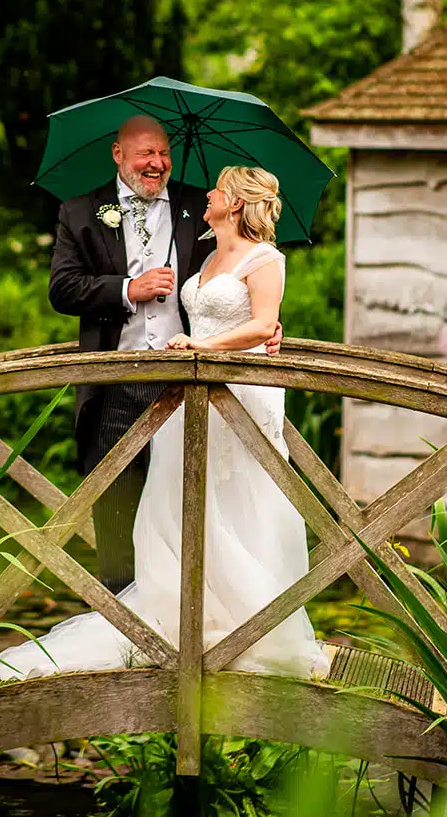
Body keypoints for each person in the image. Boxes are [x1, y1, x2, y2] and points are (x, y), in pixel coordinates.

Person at [0, 164, 329, 682]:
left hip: (238, 394)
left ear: (233, 202)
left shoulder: (266, 259)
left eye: (215, 190)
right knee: (177, 498)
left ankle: (250, 626)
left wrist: (208, 346)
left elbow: (259, 322)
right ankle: (183, 617)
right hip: (188, 394)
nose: (205, 195)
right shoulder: (209, 256)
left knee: (237, 502)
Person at [44, 116, 279, 594]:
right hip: (113, 382)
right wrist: (128, 287)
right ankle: (120, 623)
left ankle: (185, 621)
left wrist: (266, 325)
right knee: (114, 506)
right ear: (117, 154)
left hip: (190, 385)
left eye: (164, 153)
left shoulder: (201, 205)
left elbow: (245, 274)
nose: (157, 163)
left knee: (187, 507)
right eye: (145, 153)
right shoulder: (81, 211)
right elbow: (62, 289)